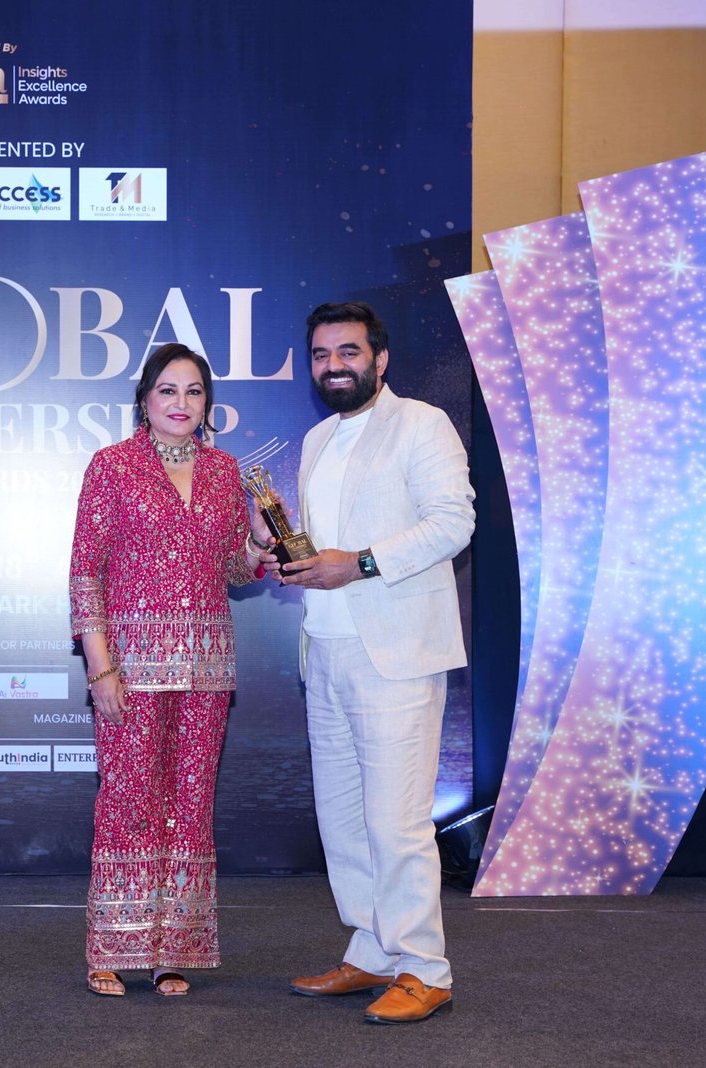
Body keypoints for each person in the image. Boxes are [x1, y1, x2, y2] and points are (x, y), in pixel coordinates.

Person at [260, 301, 474, 1024]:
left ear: (379, 359)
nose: (334, 366)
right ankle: (374, 950)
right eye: (321, 355)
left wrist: (360, 564)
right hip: (324, 650)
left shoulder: (422, 424)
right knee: (345, 820)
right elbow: (322, 542)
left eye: (348, 352)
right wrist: (286, 555)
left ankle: (425, 968)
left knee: (396, 821)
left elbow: (454, 521)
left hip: (397, 654)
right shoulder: (318, 438)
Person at [68, 343, 274, 998]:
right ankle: (113, 945)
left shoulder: (224, 471)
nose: (181, 403)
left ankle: (172, 949)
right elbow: (86, 572)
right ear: (144, 400)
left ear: (207, 403)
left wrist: (259, 540)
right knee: (128, 800)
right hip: (130, 666)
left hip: (206, 668)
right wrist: (101, 670)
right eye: (167, 390)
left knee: (190, 804)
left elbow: (234, 571)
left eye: (193, 391)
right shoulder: (113, 466)